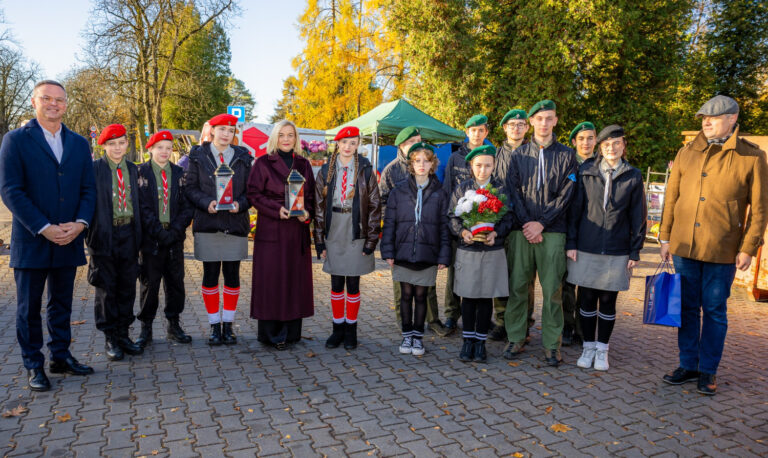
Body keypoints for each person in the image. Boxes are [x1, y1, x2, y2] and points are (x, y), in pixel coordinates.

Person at [659, 95, 768, 395]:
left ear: (732, 119)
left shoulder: (751, 157)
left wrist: (748, 248)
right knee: (687, 309)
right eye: (703, 117)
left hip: (723, 250)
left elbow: (759, 210)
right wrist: (665, 236)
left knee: (715, 310)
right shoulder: (686, 153)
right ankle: (688, 364)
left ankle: (708, 370)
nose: (706, 122)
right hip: (684, 247)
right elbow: (672, 198)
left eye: (714, 116)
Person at [0, 80, 96, 391]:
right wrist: (44, 227)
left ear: (66, 104)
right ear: (34, 101)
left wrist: (80, 223)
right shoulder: (15, 140)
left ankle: (60, 356)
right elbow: (11, 190)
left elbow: (88, 189)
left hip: (69, 237)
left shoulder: (80, 144)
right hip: (33, 239)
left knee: (62, 304)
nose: (53, 104)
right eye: (46, 98)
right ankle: (33, 364)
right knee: (29, 307)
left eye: (59, 100)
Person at [566, 125, 646, 371]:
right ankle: (588, 346)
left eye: (617, 144)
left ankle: (602, 349)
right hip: (587, 247)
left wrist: (635, 250)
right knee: (587, 300)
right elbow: (575, 211)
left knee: (608, 301)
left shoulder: (633, 175)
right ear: (600, 148)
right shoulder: (586, 171)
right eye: (607, 145)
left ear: (624, 146)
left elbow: (638, 216)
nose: (612, 148)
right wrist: (571, 243)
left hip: (617, 249)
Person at [504, 99, 577, 366]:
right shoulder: (518, 156)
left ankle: (551, 344)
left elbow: (566, 196)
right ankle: (516, 337)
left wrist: (542, 224)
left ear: (555, 120)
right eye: (539, 118)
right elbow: (513, 192)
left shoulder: (567, 155)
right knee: (518, 288)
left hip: (552, 233)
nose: (544, 123)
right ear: (531, 122)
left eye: (549, 118)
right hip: (521, 232)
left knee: (552, 291)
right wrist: (528, 223)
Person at [185, 113, 253, 345]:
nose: (226, 134)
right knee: (210, 275)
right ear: (212, 130)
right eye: (221, 129)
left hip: (235, 224)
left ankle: (229, 325)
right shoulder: (198, 156)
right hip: (208, 222)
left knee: (232, 276)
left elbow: (250, 192)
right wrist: (207, 203)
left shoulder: (243, 157)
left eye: (230, 130)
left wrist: (239, 204)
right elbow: (190, 188)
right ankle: (214, 326)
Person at [247, 120, 315, 349]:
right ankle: (271, 334)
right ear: (275, 137)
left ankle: (291, 333)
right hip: (272, 231)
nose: (286, 139)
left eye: (291, 135)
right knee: (272, 281)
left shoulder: (304, 164)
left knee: (293, 281)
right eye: (282, 135)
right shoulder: (263, 163)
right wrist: (277, 209)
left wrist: (306, 214)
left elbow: (313, 198)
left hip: (296, 232)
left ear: (296, 138)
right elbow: (254, 194)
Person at [314, 126, 382, 350]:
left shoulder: (365, 170)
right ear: (337, 144)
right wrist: (319, 240)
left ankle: (351, 329)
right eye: (344, 142)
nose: (348, 147)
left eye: (353, 143)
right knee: (336, 282)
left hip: (356, 229)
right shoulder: (325, 171)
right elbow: (318, 207)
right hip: (334, 228)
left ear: (358, 146)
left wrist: (372, 239)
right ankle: (337, 329)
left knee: (353, 282)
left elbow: (374, 206)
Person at [381, 142, 451, 356]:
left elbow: (444, 227)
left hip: (427, 253)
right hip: (403, 251)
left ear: (432, 164)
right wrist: (388, 251)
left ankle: (418, 337)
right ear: (410, 164)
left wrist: (444, 255)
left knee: (421, 296)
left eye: (426, 161)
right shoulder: (399, 191)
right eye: (417, 161)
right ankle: (407, 335)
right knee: (405, 295)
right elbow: (390, 222)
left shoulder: (440, 193)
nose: (422, 165)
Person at [86, 124, 144, 361]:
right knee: (106, 288)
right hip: (104, 234)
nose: (117, 148)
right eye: (112, 144)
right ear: (104, 146)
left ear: (127, 144)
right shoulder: (94, 170)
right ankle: (110, 336)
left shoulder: (133, 169)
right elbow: (87, 202)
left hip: (129, 233)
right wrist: (90, 236)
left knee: (127, 286)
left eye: (121, 143)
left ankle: (123, 333)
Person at [450, 145, 513, 363]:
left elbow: (508, 218)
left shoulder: (500, 190)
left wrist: (497, 232)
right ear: (471, 166)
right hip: (468, 250)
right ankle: (467, 341)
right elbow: (452, 217)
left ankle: (480, 343)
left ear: (494, 166)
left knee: (486, 297)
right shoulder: (462, 189)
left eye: (487, 165)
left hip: (491, 249)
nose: (482, 170)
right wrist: (463, 232)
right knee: (468, 297)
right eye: (478, 165)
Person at [136, 130, 194, 347]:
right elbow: (142, 207)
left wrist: (176, 230)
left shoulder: (180, 173)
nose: (164, 152)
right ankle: (146, 328)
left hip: (175, 237)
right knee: (149, 285)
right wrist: (159, 232)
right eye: (160, 147)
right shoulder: (140, 172)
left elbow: (188, 205)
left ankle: (174, 324)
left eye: (168, 148)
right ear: (150, 149)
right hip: (151, 239)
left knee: (175, 283)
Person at [490, 109, 535, 342]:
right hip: (500, 224)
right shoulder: (496, 156)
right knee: (500, 275)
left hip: (524, 225)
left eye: (521, 124)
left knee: (523, 278)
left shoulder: (534, 154)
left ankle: (524, 322)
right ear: (505, 128)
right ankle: (501, 321)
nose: (516, 128)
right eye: (512, 124)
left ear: (527, 128)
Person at [442, 114, 490, 335]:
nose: (477, 134)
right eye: (473, 130)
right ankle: (452, 314)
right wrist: (453, 223)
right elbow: (448, 190)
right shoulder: (455, 158)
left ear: (486, 133)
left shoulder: (491, 155)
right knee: (455, 270)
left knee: (483, 271)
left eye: (481, 130)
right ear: (466, 131)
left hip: (486, 222)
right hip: (459, 225)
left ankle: (484, 317)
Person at [560, 121, 598, 347]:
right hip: (565, 229)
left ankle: (583, 327)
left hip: (589, 232)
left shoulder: (601, 165)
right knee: (566, 283)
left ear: (595, 141)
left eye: (590, 138)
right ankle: (567, 325)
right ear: (574, 142)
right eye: (581, 139)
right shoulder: (566, 163)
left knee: (587, 284)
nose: (586, 142)